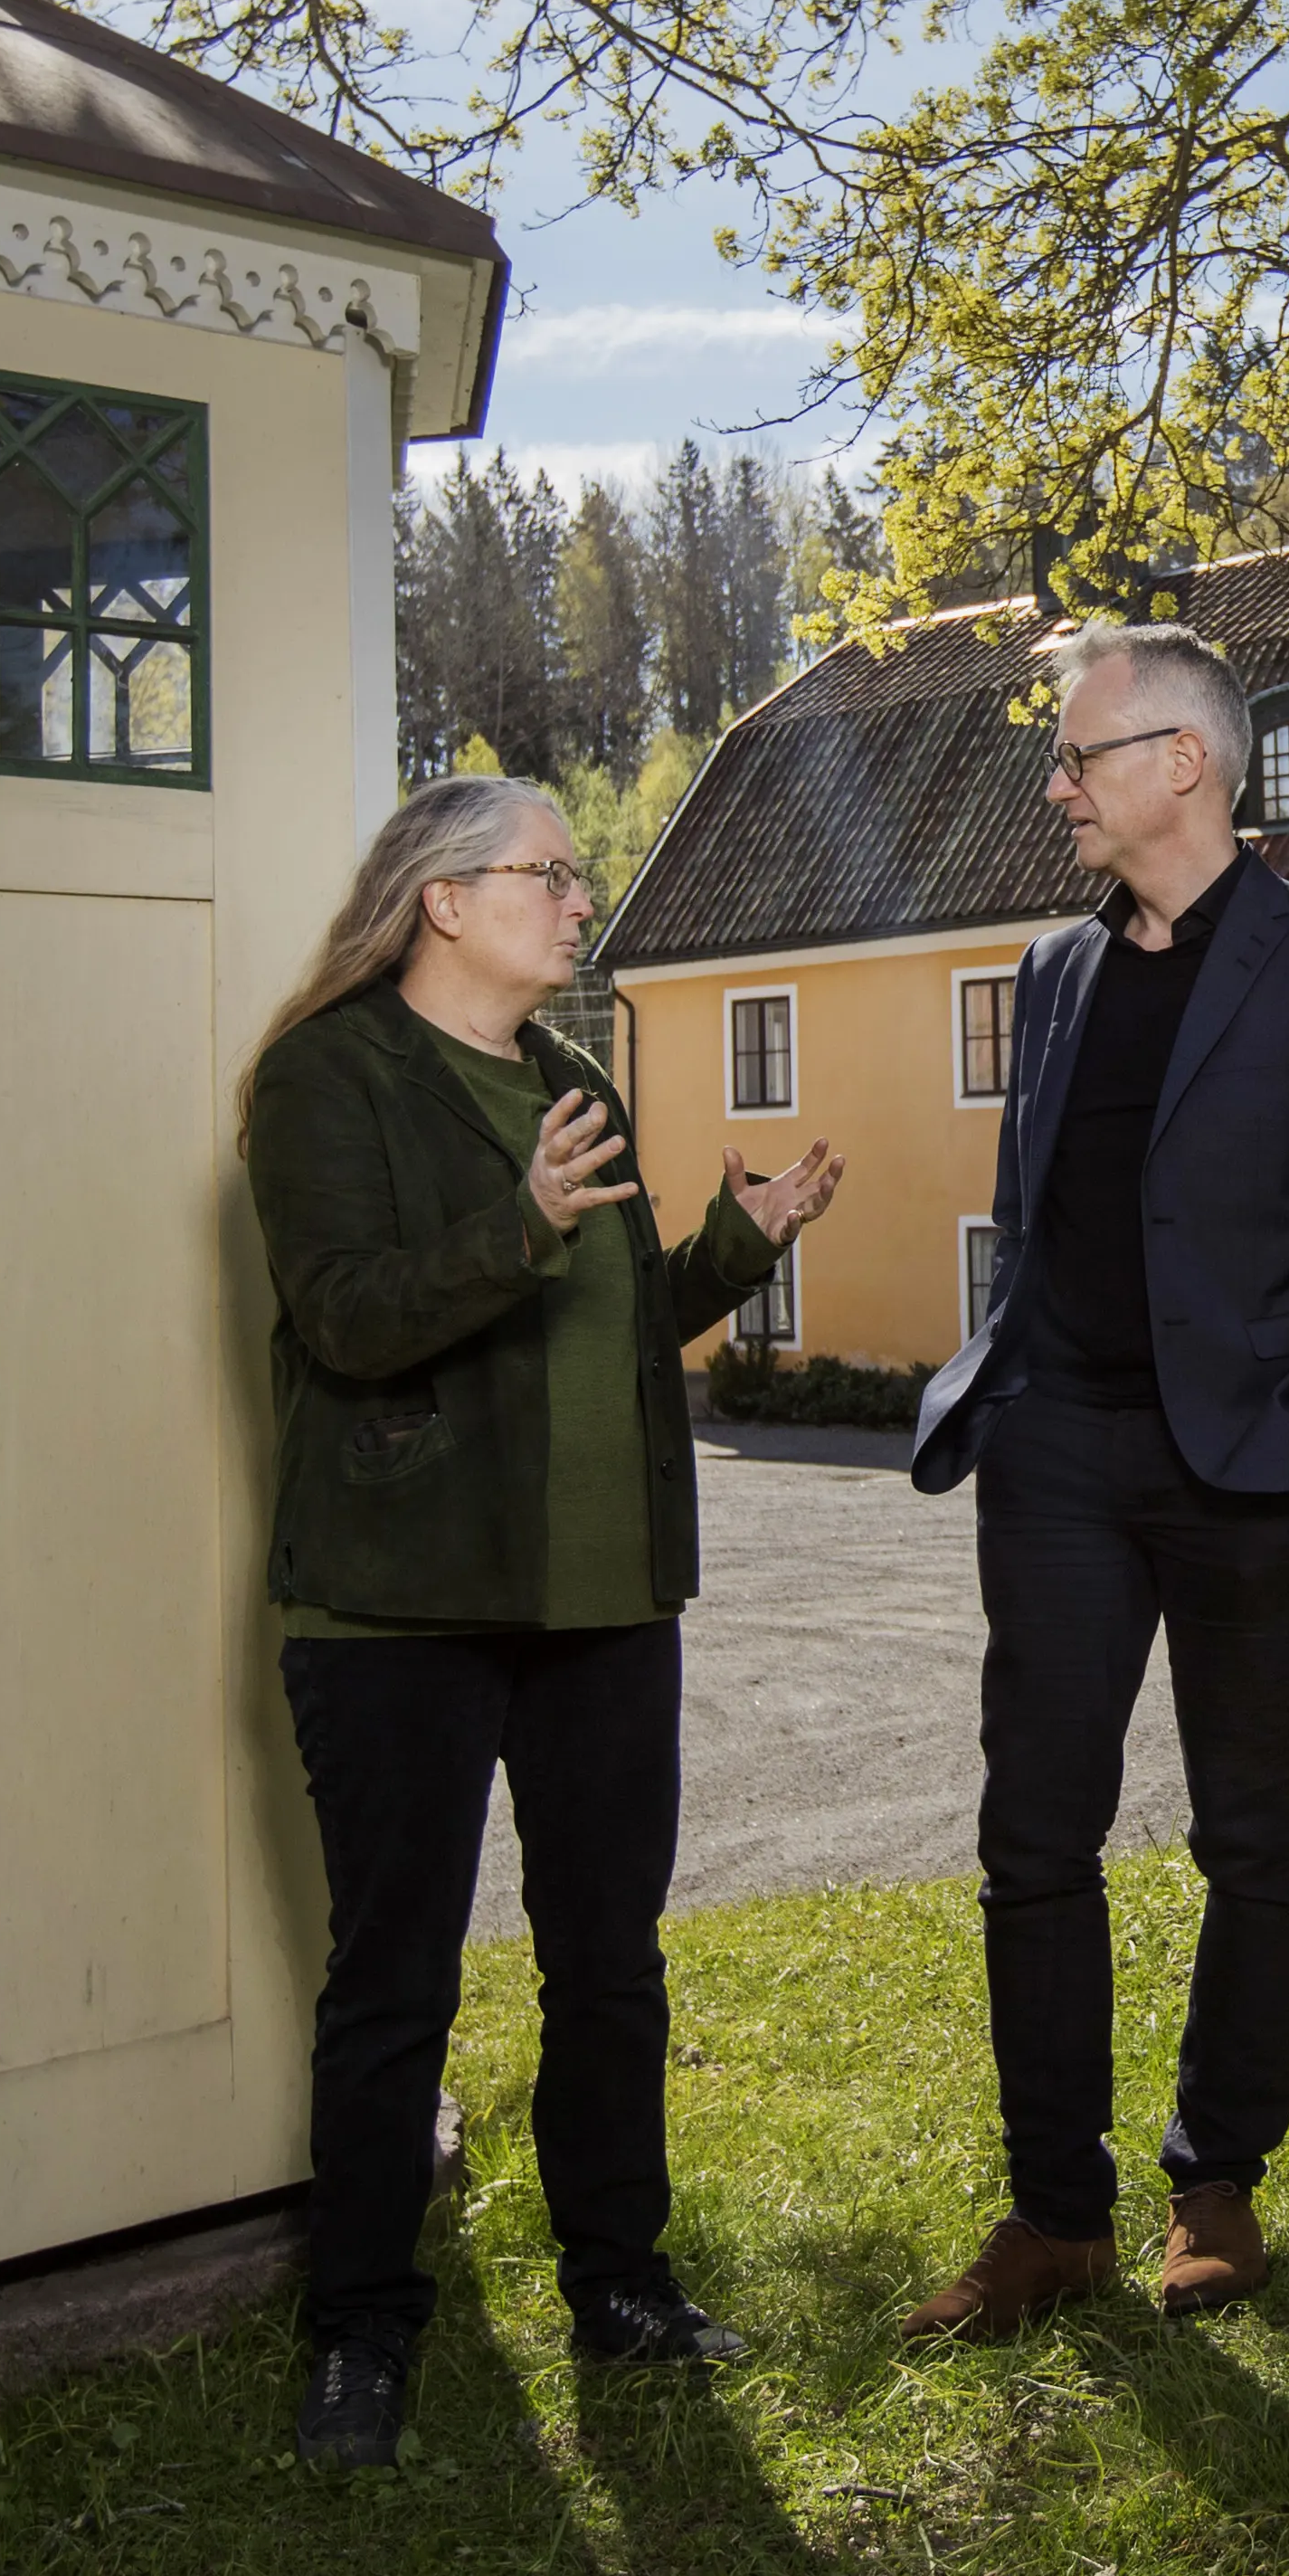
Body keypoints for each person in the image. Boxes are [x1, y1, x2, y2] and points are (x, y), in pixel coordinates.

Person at [242, 773, 844, 2468]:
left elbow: (612, 1322)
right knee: (392, 1982)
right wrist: (515, 1224)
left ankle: (623, 2284)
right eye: (554, 876)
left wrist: (734, 1246)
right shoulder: (328, 1075)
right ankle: (362, 2331)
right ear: (445, 898)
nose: (584, 904)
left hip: (602, 1602)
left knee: (609, 1964)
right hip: (400, 1610)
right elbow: (348, 1316)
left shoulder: (575, 1080)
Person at [898, 623, 1289, 2341]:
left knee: (1248, 1828)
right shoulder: (1054, 971)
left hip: (1240, 1467)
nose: (1058, 785)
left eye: (1080, 756)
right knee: (1031, 1835)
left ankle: (1216, 2183)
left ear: (1183, 765)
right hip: (1056, 1454)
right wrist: (1010, 1385)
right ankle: (1055, 2212)